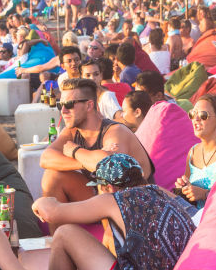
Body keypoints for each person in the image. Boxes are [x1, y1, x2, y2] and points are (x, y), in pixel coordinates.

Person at [33, 153, 194, 270]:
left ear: (109, 187)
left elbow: (51, 213)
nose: (95, 194)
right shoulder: (159, 192)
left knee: (64, 234)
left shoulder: (114, 199)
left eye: (96, 189)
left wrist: (39, 203)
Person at [39, 78, 154, 213]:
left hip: (136, 205)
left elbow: (110, 166)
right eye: (60, 105)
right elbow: (45, 158)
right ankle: (58, 234)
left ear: (89, 105)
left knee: (105, 181)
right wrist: (85, 162)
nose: (63, 111)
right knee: (52, 176)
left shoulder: (115, 131)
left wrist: (75, 151)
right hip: (103, 197)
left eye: (69, 104)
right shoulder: (72, 131)